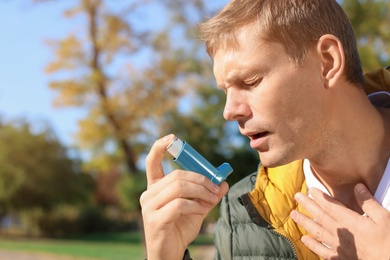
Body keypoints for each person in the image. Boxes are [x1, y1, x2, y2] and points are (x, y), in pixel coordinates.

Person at [140, 0, 390, 259]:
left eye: (251, 81)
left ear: (327, 61)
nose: (229, 111)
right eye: (226, 91)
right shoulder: (241, 213)